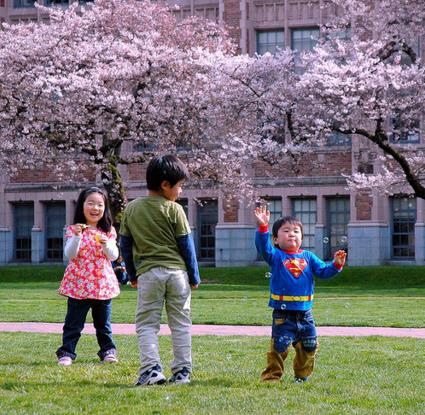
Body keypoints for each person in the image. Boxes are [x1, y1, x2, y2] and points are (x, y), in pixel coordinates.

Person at [120, 154, 200, 387]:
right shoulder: (175, 210)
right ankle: (183, 371)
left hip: (149, 274)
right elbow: (187, 246)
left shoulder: (132, 209)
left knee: (147, 323)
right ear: (165, 185)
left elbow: (125, 245)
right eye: (180, 186)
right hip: (178, 275)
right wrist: (194, 276)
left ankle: (151, 370)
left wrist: (132, 275)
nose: (181, 191)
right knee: (181, 323)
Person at [254, 205, 346, 383]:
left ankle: (302, 376)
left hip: (305, 314)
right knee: (279, 346)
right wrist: (263, 227)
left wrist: (336, 265)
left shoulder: (309, 257)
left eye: (296, 231)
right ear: (275, 239)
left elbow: (324, 272)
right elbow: (263, 248)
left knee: (309, 345)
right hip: (283, 314)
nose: (291, 234)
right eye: (286, 231)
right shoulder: (275, 256)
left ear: (302, 237)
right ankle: (272, 377)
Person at [56, 186, 120, 366]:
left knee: (103, 325)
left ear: (105, 208)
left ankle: (108, 351)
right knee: (73, 324)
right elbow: (70, 254)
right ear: (82, 206)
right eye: (90, 203)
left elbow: (113, 256)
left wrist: (107, 244)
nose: (95, 208)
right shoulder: (74, 229)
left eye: (100, 204)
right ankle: (67, 353)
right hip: (79, 285)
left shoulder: (108, 231)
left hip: (102, 285)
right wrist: (77, 236)